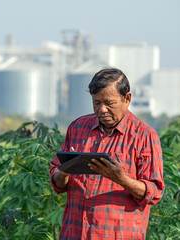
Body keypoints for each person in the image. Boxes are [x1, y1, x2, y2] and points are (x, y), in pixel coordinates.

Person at [50, 68, 165, 239]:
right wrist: (65, 171)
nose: (102, 110)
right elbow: (57, 180)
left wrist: (121, 179)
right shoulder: (78, 128)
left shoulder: (144, 136)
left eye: (109, 103)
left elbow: (154, 193)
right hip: (74, 233)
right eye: (96, 103)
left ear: (127, 99)